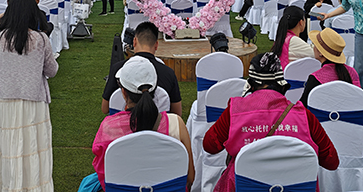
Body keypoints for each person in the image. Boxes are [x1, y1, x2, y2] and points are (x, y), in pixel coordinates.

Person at [202, 52, 339, 192]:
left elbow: (210, 146)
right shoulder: (304, 116)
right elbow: (332, 161)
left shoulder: (234, 111)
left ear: (251, 85)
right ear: (281, 84)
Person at [0, 0, 58, 192]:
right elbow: (52, 71)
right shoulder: (41, 39)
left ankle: (8, 186)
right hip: (34, 103)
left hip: (6, 101)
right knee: (34, 147)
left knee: (7, 148)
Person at [92, 56, 194, 190]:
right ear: (155, 89)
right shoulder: (176, 124)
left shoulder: (109, 128)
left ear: (123, 92)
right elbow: (189, 177)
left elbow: (105, 177)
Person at [102, 21, 182, 116]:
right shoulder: (168, 73)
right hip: (158, 125)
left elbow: (105, 108)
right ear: (156, 45)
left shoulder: (118, 68)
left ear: (134, 41)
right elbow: (177, 113)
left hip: (121, 124)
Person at [300, 27, 360, 106]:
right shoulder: (352, 72)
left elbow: (303, 107)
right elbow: (358, 100)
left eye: (314, 45)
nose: (313, 47)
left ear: (320, 53)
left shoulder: (315, 78)